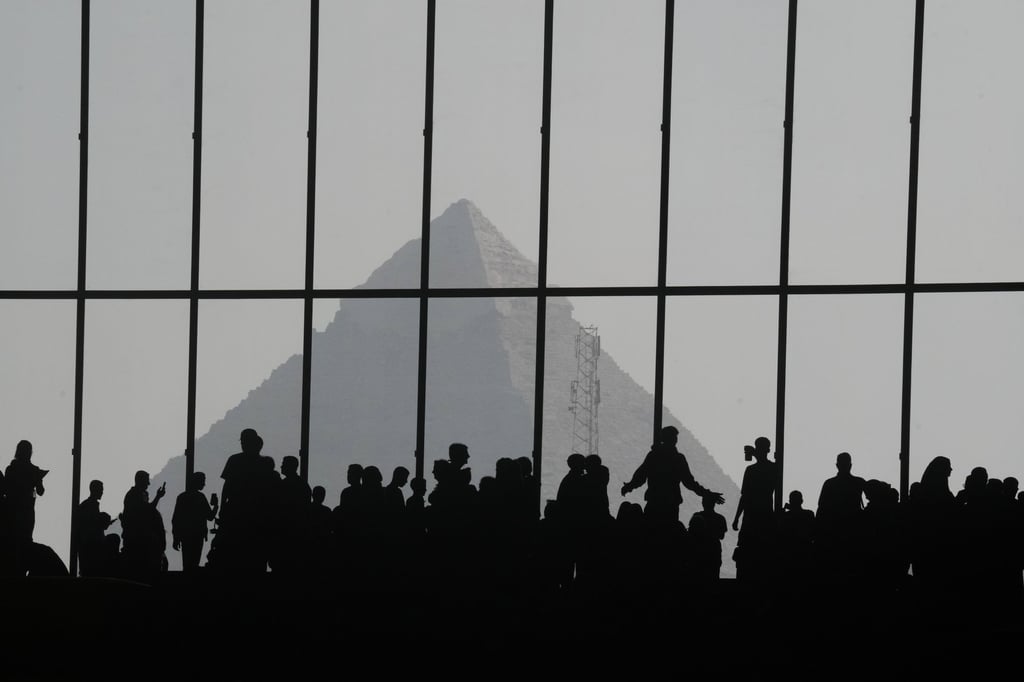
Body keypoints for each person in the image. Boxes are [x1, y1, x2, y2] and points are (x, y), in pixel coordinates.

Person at [621, 426, 723, 523]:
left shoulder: (654, 456)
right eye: (673, 437)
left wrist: (629, 486)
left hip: (655, 503)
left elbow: (640, 476)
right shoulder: (677, 459)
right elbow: (690, 483)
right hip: (670, 506)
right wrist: (707, 493)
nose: (675, 440)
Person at [731, 437, 777, 581]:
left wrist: (737, 517)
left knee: (748, 555)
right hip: (765, 517)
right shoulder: (773, 468)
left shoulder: (751, 470)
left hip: (751, 518)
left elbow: (744, 496)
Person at [172, 472, 218, 572]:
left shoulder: (182, 497)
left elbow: (176, 519)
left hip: (185, 535)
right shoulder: (200, 497)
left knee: (187, 564)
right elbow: (210, 517)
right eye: (203, 481)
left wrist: (176, 537)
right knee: (194, 563)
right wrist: (216, 506)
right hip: (197, 535)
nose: (204, 484)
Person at [5, 440, 47, 543]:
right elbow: (41, 492)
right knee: (26, 540)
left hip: (12, 510)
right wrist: (39, 479)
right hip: (27, 511)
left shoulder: (10, 469)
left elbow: (5, 490)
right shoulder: (34, 470)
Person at [75, 480, 115, 576]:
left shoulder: (88, 505)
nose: (102, 492)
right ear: (95, 490)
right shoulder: (90, 506)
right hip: (91, 548)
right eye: (101, 489)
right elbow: (92, 527)